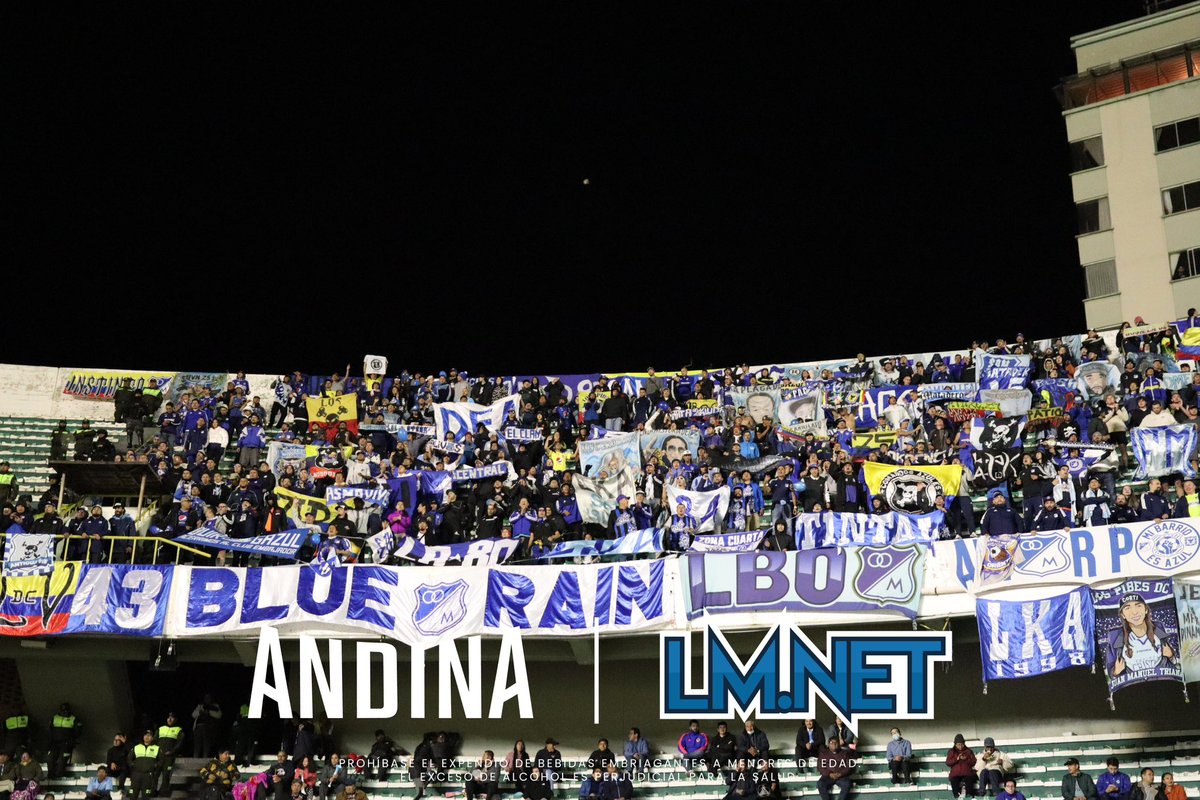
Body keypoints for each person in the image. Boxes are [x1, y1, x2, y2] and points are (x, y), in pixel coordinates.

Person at [46, 702, 79, 779]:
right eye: (63, 710)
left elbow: (77, 732)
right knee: (49, 758)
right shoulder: (55, 717)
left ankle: (58, 777)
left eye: (66, 710)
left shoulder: (73, 718)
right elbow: (50, 730)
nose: (64, 712)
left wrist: (71, 740)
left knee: (62, 760)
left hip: (66, 743)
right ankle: (51, 776)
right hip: (55, 743)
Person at [156, 712, 185, 796]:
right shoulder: (161, 728)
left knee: (166, 775)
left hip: (169, 757)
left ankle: (163, 794)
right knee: (154, 775)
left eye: (172, 717)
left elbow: (180, 743)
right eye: (168, 717)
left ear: (175, 719)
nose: (170, 719)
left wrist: (172, 751)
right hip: (159, 756)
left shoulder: (179, 730)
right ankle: (152, 793)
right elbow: (154, 740)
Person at [128, 732, 162, 800]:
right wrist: (133, 765)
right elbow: (129, 758)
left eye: (149, 736)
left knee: (146, 796)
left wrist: (155, 766)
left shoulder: (157, 748)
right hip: (136, 774)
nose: (147, 737)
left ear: (152, 738)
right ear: (143, 737)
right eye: (145, 735)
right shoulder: (136, 747)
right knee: (133, 796)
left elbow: (161, 760)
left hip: (148, 775)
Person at [192, 694, 223, 758]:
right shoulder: (200, 705)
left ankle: (205, 760)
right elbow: (193, 714)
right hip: (198, 727)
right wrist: (200, 712)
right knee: (197, 745)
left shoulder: (215, 706)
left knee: (207, 745)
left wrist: (208, 712)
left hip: (209, 728)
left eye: (208, 698)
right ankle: (195, 759)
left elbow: (219, 715)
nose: (207, 699)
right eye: (206, 697)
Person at [946, 734, 977, 798]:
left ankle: (969, 795)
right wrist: (956, 759)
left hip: (967, 772)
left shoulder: (969, 751)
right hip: (955, 773)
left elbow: (973, 762)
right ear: (955, 744)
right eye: (958, 744)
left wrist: (966, 759)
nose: (960, 746)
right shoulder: (952, 751)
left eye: (962, 744)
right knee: (954, 780)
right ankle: (956, 795)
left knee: (969, 779)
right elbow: (948, 762)